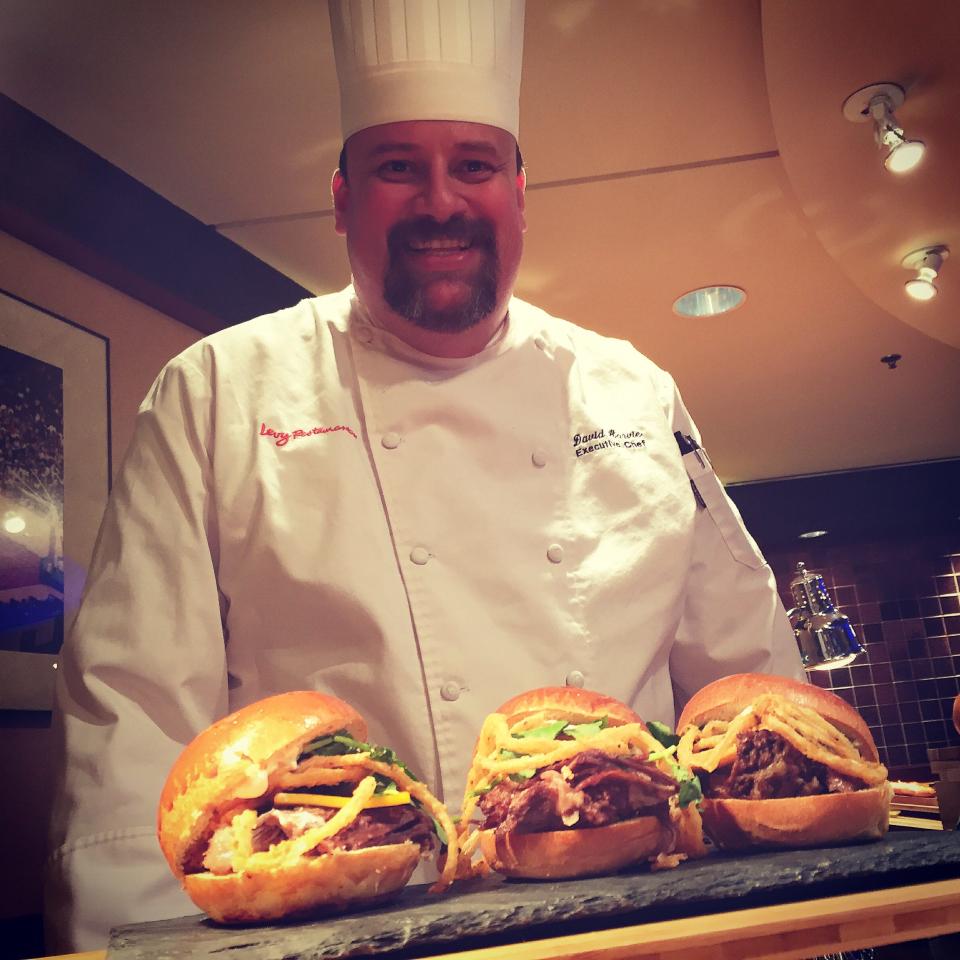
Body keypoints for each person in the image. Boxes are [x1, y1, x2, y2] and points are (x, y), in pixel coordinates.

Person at [44, 0, 803, 951]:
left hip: (637, 923)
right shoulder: (217, 392)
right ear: (341, 196)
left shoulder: (634, 392)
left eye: (473, 165)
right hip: (342, 931)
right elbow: (136, 722)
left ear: (520, 192)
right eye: (398, 166)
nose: (441, 201)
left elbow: (749, 684)